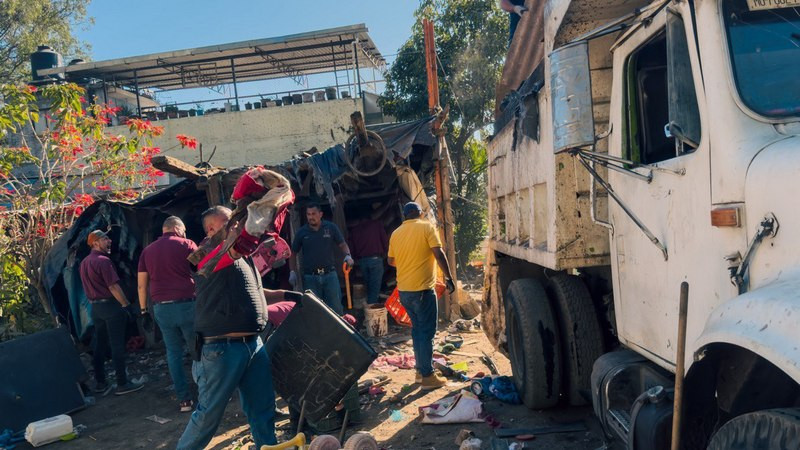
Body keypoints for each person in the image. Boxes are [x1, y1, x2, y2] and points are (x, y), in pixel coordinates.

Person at [177, 225, 277, 449]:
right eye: (231, 222)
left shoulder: (243, 256)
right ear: (212, 228)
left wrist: (284, 294)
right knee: (209, 415)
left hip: (253, 345)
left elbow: (255, 292)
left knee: (262, 408)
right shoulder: (205, 255)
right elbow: (225, 255)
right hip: (221, 349)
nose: (237, 227)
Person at [387, 202, 456, 390]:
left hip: (404, 292)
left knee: (417, 331)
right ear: (420, 213)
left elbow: (391, 261)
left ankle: (420, 371)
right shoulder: (427, 227)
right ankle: (427, 376)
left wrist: (408, 258)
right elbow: (438, 253)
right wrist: (449, 277)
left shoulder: (396, 233)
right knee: (427, 333)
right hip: (422, 290)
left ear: (405, 215)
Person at [137, 216, 198, 412]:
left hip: (161, 308)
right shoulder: (187, 244)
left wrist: (144, 311)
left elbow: (141, 285)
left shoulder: (147, 251)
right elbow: (203, 268)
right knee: (198, 349)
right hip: (187, 305)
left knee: (173, 353)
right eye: (184, 230)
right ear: (177, 228)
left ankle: (184, 400)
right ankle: (208, 392)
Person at [79, 230, 144, 396]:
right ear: (95, 243)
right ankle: (122, 383)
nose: (109, 241)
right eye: (105, 239)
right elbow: (114, 287)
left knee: (99, 344)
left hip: (95, 309)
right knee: (117, 345)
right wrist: (125, 305)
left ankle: (101, 382)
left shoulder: (85, 262)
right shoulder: (103, 261)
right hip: (110, 307)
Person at [289, 203, 353, 314]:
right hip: (310, 278)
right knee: (314, 310)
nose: (310, 217)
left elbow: (342, 244)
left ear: (320, 214)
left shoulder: (330, 227)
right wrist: (292, 271)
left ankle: (337, 331)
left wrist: (348, 255)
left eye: (313, 214)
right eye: (308, 214)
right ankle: (319, 332)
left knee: (336, 309)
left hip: (330, 275)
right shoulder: (302, 232)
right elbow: (293, 253)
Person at [348, 211, 389, 305]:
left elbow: (352, 249)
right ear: (371, 216)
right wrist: (386, 252)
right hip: (376, 260)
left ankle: (368, 306)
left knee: (368, 286)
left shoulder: (355, 230)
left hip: (363, 261)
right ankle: (371, 310)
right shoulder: (377, 225)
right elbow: (385, 241)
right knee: (375, 287)